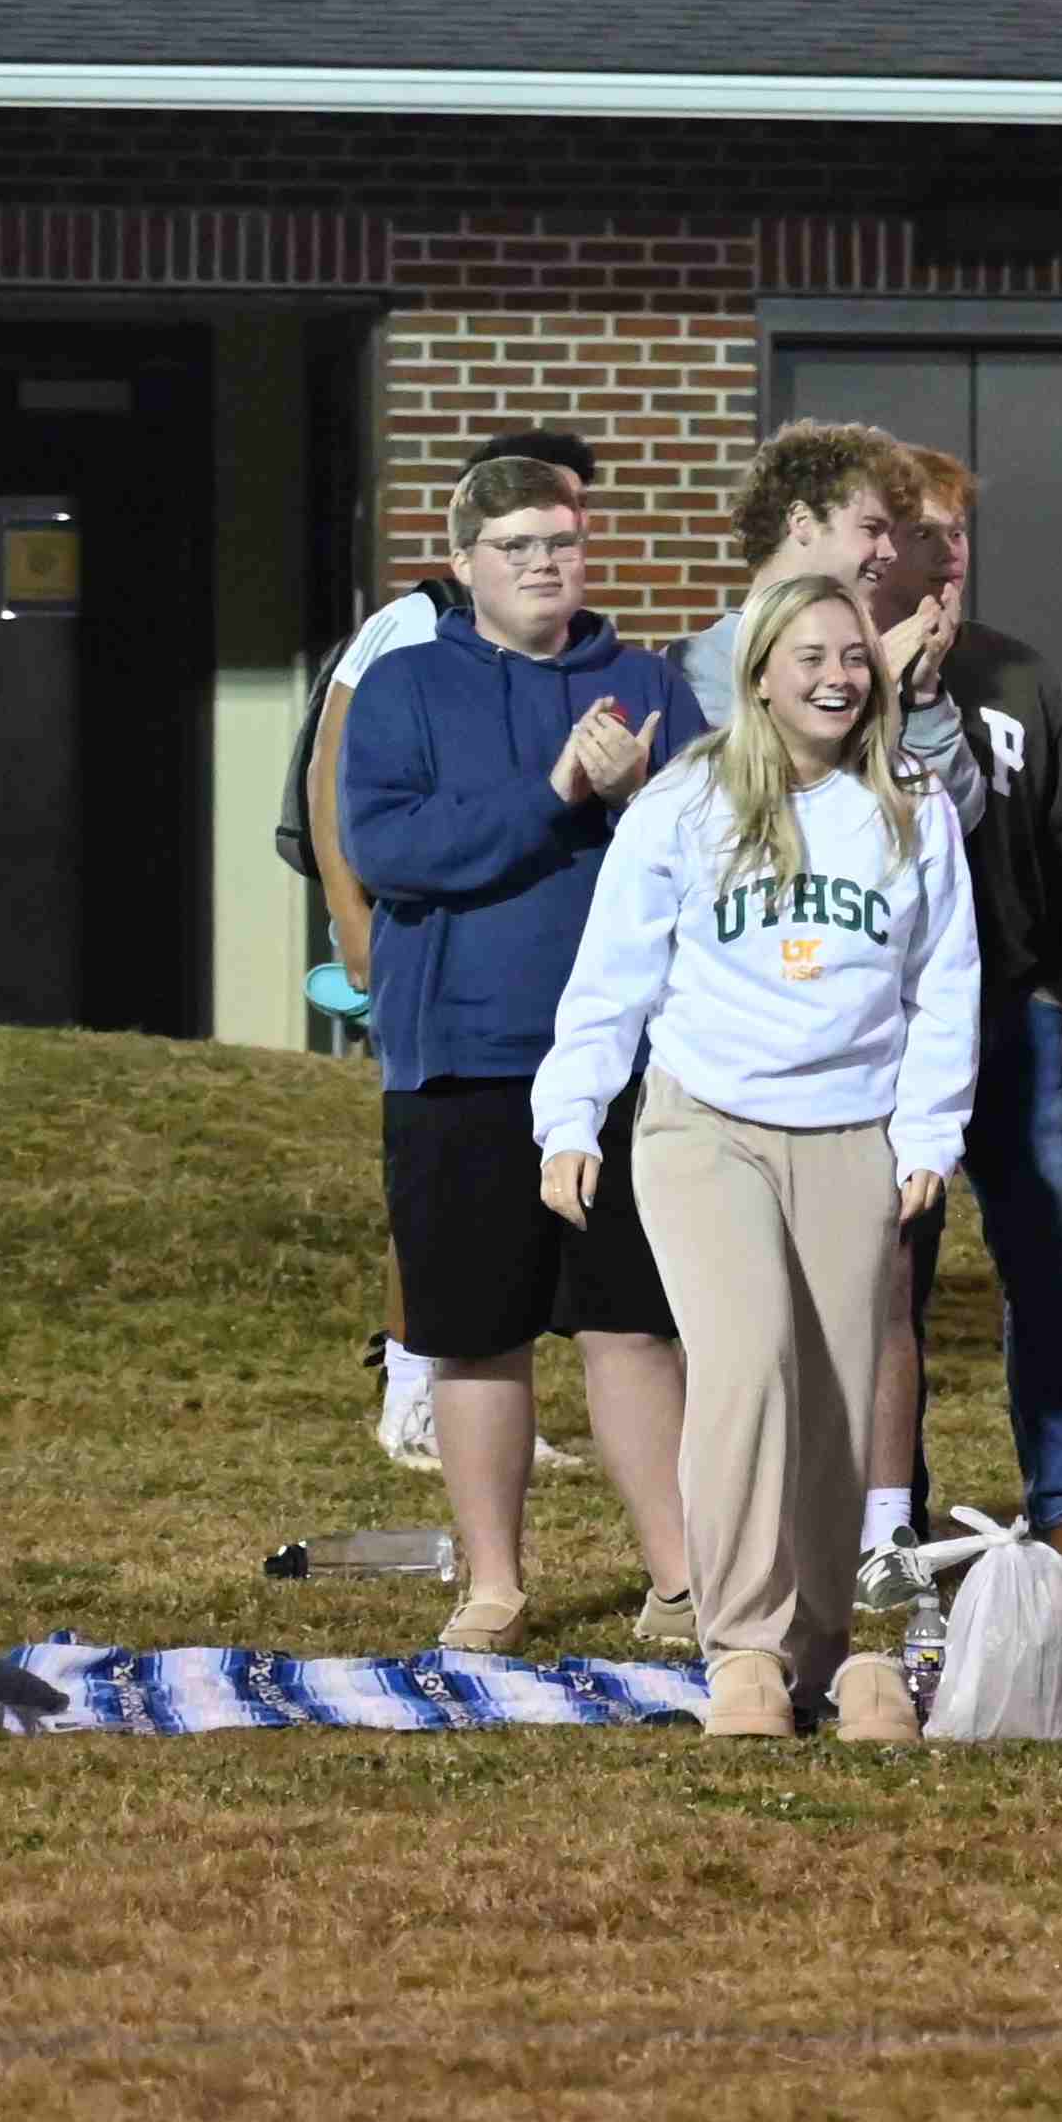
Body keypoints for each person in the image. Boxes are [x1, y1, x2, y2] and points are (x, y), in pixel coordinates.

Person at [526, 572, 981, 1742]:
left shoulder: (911, 802)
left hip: (852, 1130)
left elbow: (946, 988)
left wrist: (930, 1132)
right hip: (703, 1122)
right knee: (746, 1362)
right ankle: (738, 1641)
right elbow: (612, 974)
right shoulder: (686, 796)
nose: (838, 676)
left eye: (853, 658)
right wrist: (571, 1116)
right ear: (763, 671)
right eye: (812, 656)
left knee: (834, 1387)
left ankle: (820, 1649)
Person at [335, 450, 702, 1657]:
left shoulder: (648, 680)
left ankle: (681, 1578)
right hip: (462, 1058)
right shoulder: (404, 685)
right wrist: (554, 790)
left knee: (634, 1323)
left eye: (560, 542)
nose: (543, 565)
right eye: (515, 548)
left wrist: (645, 789)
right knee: (473, 1328)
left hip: (628, 1063)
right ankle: (493, 1582)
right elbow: (392, 848)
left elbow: (718, 843)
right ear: (464, 565)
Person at [302, 425, 597, 1472]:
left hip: (545, 991)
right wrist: (353, 918)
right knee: (439, 1193)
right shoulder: (409, 627)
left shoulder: (579, 650)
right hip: (430, 964)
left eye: (566, 519)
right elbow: (333, 774)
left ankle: (496, 1400)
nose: (545, 547)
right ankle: (414, 1383)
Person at [858, 441, 1062, 1579]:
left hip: (1010, 1008)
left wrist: (1059, 966)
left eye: (961, 531)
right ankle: (888, 1506)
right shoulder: (837, 667)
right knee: (887, 1270)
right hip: (887, 1025)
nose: (949, 551)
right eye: (926, 531)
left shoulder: (1016, 670)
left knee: (1045, 1258)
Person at [675, 423, 917, 721]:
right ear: (802, 521)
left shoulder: (879, 663)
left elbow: (938, 769)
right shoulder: (692, 668)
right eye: (871, 528)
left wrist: (926, 703)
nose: (889, 552)